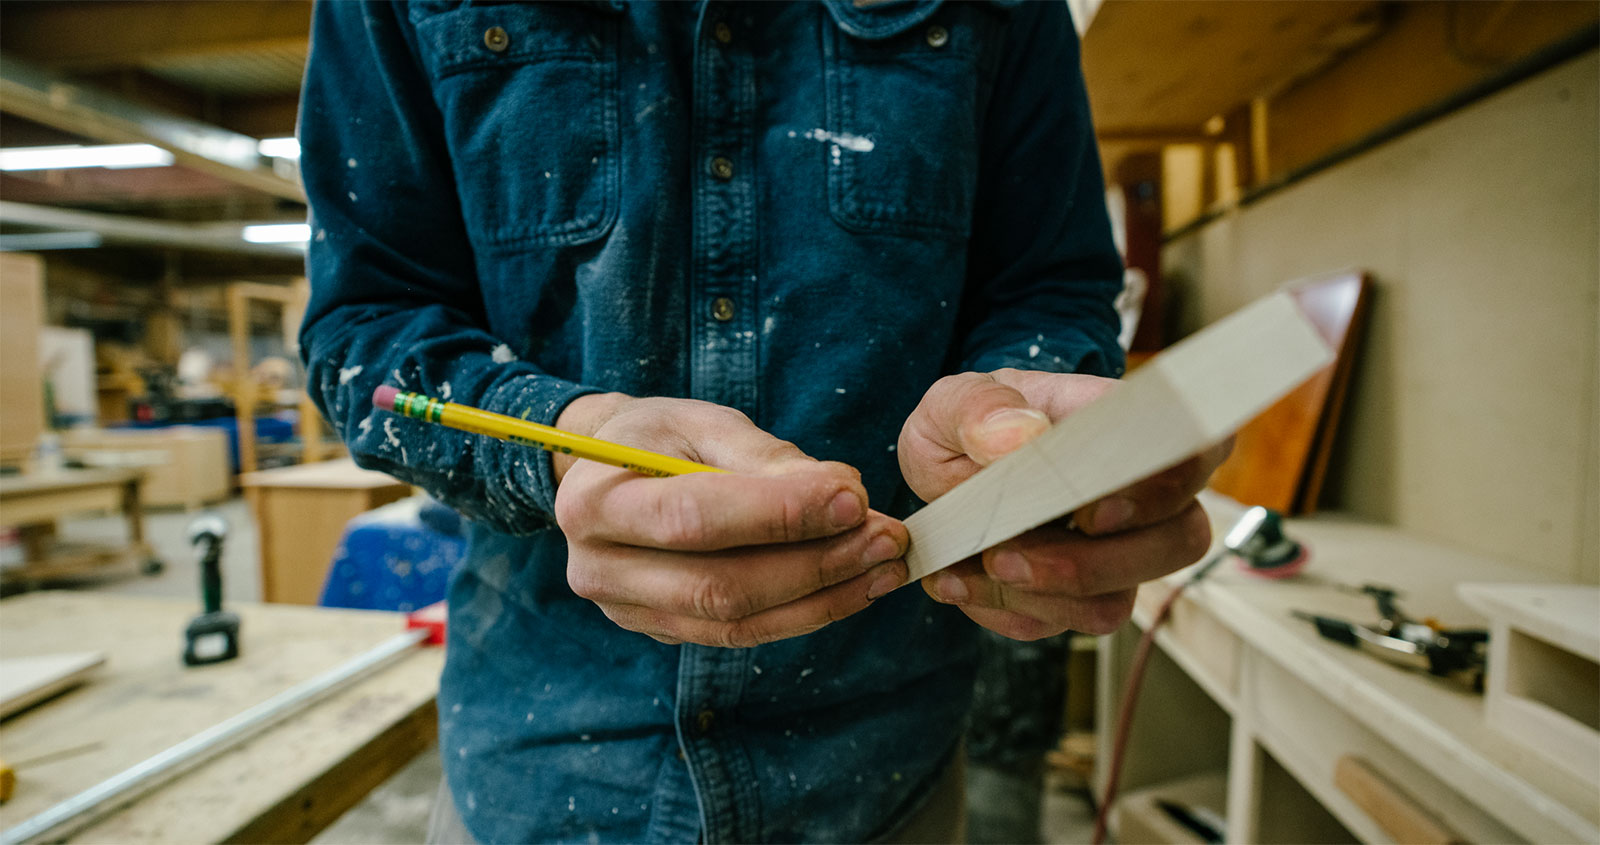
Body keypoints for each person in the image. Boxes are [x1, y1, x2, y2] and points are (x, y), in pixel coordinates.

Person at [298, 1, 1225, 841]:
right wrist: (552, 432)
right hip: (536, 768)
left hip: (883, 774)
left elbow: (1051, 290)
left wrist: (1024, 419)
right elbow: (365, 328)